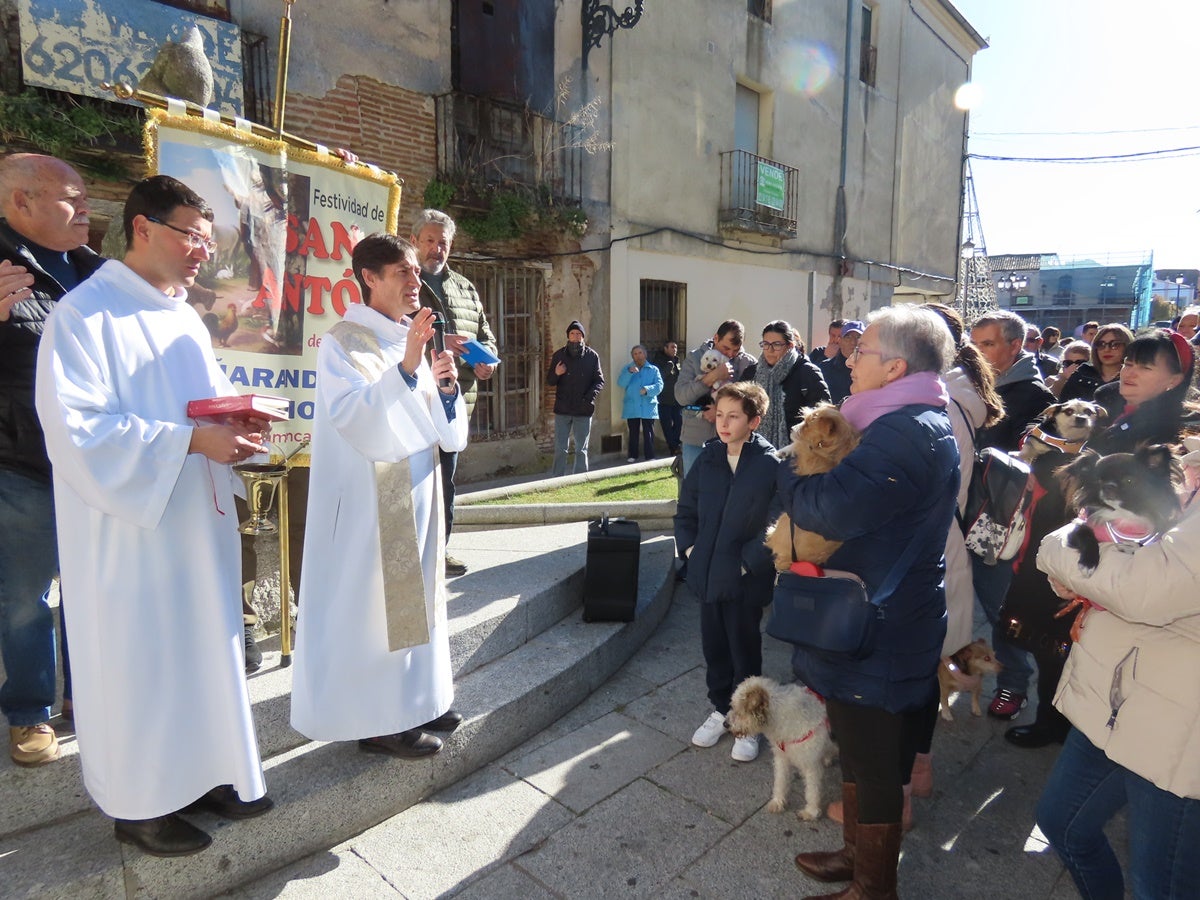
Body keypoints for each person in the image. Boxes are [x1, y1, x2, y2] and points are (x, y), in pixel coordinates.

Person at [35, 175, 273, 856]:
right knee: (144, 660)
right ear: (143, 228)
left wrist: (240, 426)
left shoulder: (182, 315)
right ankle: (141, 804)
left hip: (196, 524)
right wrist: (190, 440)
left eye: (207, 237)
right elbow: (78, 431)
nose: (202, 250)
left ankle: (205, 775)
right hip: (130, 536)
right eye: (191, 235)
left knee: (200, 651)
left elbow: (208, 403)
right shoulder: (84, 315)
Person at [781, 306, 959, 897]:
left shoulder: (904, 432)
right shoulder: (900, 419)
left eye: (863, 352)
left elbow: (830, 508)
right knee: (857, 751)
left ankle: (874, 888)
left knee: (876, 763)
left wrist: (781, 473)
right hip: (882, 616)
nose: (851, 359)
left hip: (877, 627)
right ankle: (857, 856)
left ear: (896, 367)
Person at [291, 234, 468, 760]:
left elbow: (447, 434)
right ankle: (380, 721)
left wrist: (448, 388)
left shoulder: (404, 338)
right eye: (402, 273)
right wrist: (409, 370)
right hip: (375, 502)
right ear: (369, 277)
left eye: (417, 272)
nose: (417, 283)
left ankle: (419, 699)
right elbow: (355, 417)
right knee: (382, 610)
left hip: (418, 493)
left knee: (418, 606)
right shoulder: (344, 342)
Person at [1034, 436, 1200, 898]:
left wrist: (1067, 560)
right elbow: (1065, 543)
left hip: (1180, 731)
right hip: (1119, 699)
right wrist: (1071, 560)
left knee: (1161, 886)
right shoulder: (1187, 459)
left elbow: (1144, 593)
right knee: (1063, 825)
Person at [0, 153, 101, 767]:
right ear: (22, 204)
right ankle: (30, 712)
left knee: (95, 586)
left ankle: (91, 698)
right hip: (23, 461)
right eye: (70, 197)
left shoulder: (101, 272)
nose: (85, 207)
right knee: (26, 596)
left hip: (95, 464)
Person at [674, 381, 779, 764]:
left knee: (744, 648)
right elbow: (686, 509)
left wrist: (747, 561)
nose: (723, 422)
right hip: (706, 573)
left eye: (733, 416)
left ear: (753, 421)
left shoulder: (768, 464)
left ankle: (750, 720)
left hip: (744, 579)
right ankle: (721, 709)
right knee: (714, 647)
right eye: (719, 414)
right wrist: (690, 550)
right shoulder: (709, 458)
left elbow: (777, 519)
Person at [969, 309, 1056, 720]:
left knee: (1001, 609)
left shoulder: (1037, 397)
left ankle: (1014, 684)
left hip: (1000, 521)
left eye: (986, 343)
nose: (977, 351)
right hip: (963, 508)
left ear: (1015, 345)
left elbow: (1031, 465)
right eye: (974, 343)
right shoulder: (971, 382)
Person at [411, 209, 497, 578]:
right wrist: (440, 340)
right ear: (414, 241)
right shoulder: (405, 283)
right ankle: (412, 556)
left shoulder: (465, 287)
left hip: (456, 404)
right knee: (414, 484)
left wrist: (487, 362)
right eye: (429, 240)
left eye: (443, 242)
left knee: (446, 481)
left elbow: (486, 336)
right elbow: (396, 333)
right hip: (413, 401)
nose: (436, 249)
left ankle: (439, 550)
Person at [674, 320, 756, 477]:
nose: (730, 354)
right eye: (726, 348)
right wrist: (710, 378)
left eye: (736, 350)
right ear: (716, 338)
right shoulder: (695, 358)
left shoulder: (748, 363)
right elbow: (681, 397)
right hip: (696, 439)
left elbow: (753, 402)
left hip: (735, 441)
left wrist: (719, 411)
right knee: (694, 491)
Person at [742, 320, 830, 450]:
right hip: (754, 451)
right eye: (766, 344)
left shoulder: (806, 372)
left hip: (796, 452)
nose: (770, 350)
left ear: (790, 346)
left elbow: (823, 413)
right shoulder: (751, 374)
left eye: (776, 344)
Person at [546, 320, 604, 476]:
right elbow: (550, 381)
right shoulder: (559, 355)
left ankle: (580, 479)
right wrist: (557, 373)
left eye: (579, 334)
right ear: (568, 336)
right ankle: (557, 478)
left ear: (583, 337)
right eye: (572, 333)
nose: (575, 336)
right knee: (560, 448)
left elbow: (599, 381)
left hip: (583, 410)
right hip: (563, 409)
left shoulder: (592, 356)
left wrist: (587, 399)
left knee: (581, 449)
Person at [1058, 323, 1132, 404]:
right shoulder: (1082, 374)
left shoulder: (1134, 378)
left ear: (1127, 346)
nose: (1106, 349)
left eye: (1115, 344)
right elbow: (1062, 408)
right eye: (1101, 344)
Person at [616, 344, 662, 462]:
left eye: (640, 353)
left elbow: (659, 386)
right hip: (632, 405)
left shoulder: (653, 369)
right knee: (633, 432)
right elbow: (621, 383)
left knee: (649, 432)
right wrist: (629, 373)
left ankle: (650, 456)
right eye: (635, 354)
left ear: (645, 354)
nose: (638, 356)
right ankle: (632, 455)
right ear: (633, 356)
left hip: (648, 405)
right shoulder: (627, 368)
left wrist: (647, 390)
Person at [819, 320, 863, 404]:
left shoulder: (871, 369)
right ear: (840, 341)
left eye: (858, 337)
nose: (853, 342)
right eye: (848, 337)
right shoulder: (825, 368)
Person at [651, 340, 683, 454]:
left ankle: (675, 444)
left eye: (676, 347)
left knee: (679, 422)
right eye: (672, 347)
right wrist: (668, 367)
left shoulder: (677, 360)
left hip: (676, 398)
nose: (675, 349)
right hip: (663, 399)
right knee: (667, 425)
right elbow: (658, 378)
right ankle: (673, 448)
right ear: (665, 348)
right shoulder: (659, 360)